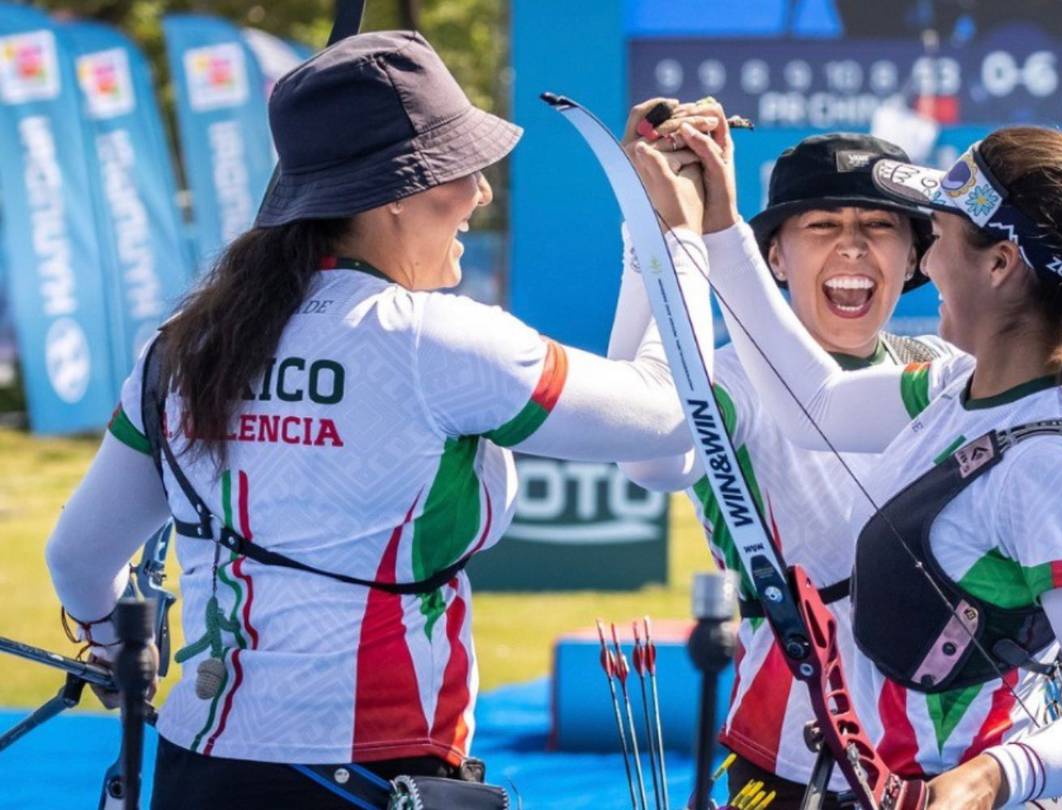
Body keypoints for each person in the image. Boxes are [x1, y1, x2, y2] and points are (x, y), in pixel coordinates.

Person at [42, 32, 713, 808]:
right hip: (375, 776)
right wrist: (676, 236)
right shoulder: (435, 340)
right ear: (397, 190)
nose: (482, 193)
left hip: (201, 769)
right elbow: (671, 414)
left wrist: (119, 648)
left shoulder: (184, 344)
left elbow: (79, 557)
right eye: (463, 169)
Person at [624, 104, 1062, 806]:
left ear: (1000, 263)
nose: (923, 260)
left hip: (962, 780)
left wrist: (994, 778)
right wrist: (706, 220)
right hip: (807, 768)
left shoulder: (1055, 468)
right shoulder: (953, 385)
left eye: (930, 236)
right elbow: (812, 402)